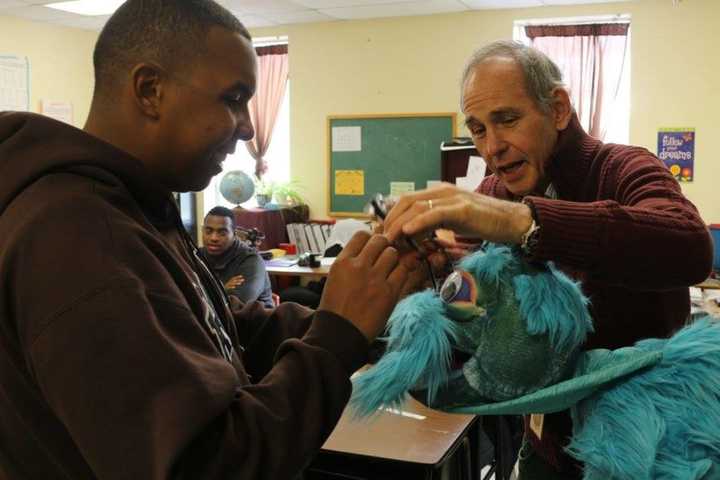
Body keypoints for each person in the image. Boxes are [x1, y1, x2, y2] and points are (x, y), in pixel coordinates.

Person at [0, 1, 417, 479]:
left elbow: (218, 333)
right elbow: (209, 465)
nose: (248, 126)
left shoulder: (136, 210)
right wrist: (335, 339)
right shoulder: (77, 237)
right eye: (233, 98)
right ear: (150, 90)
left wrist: (366, 313)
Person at [383, 40, 713, 479]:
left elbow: (689, 246)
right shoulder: (495, 193)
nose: (492, 147)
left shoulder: (623, 166)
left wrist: (526, 222)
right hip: (545, 445)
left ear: (557, 108)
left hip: (648, 451)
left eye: (507, 119)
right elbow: (479, 313)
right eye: (479, 129)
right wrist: (432, 271)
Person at [200, 205, 274, 308]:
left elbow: (235, 305)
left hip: (254, 322)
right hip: (212, 321)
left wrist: (204, 291)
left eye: (222, 233)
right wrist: (222, 288)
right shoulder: (197, 255)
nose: (214, 238)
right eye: (208, 231)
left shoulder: (251, 261)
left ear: (234, 235)